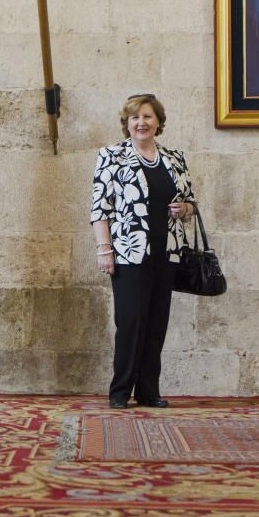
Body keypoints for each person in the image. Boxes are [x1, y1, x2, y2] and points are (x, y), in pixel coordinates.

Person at [90, 94, 196, 409]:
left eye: (148, 117)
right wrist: (104, 249)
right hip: (127, 253)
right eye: (135, 117)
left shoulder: (174, 158)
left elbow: (191, 203)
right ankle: (120, 391)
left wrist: (185, 208)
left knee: (156, 322)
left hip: (166, 252)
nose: (141, 123)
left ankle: (149, 391)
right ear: (127, 123)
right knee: (131, 321)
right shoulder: (111, 156)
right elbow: (100, 208)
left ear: (158, 122)